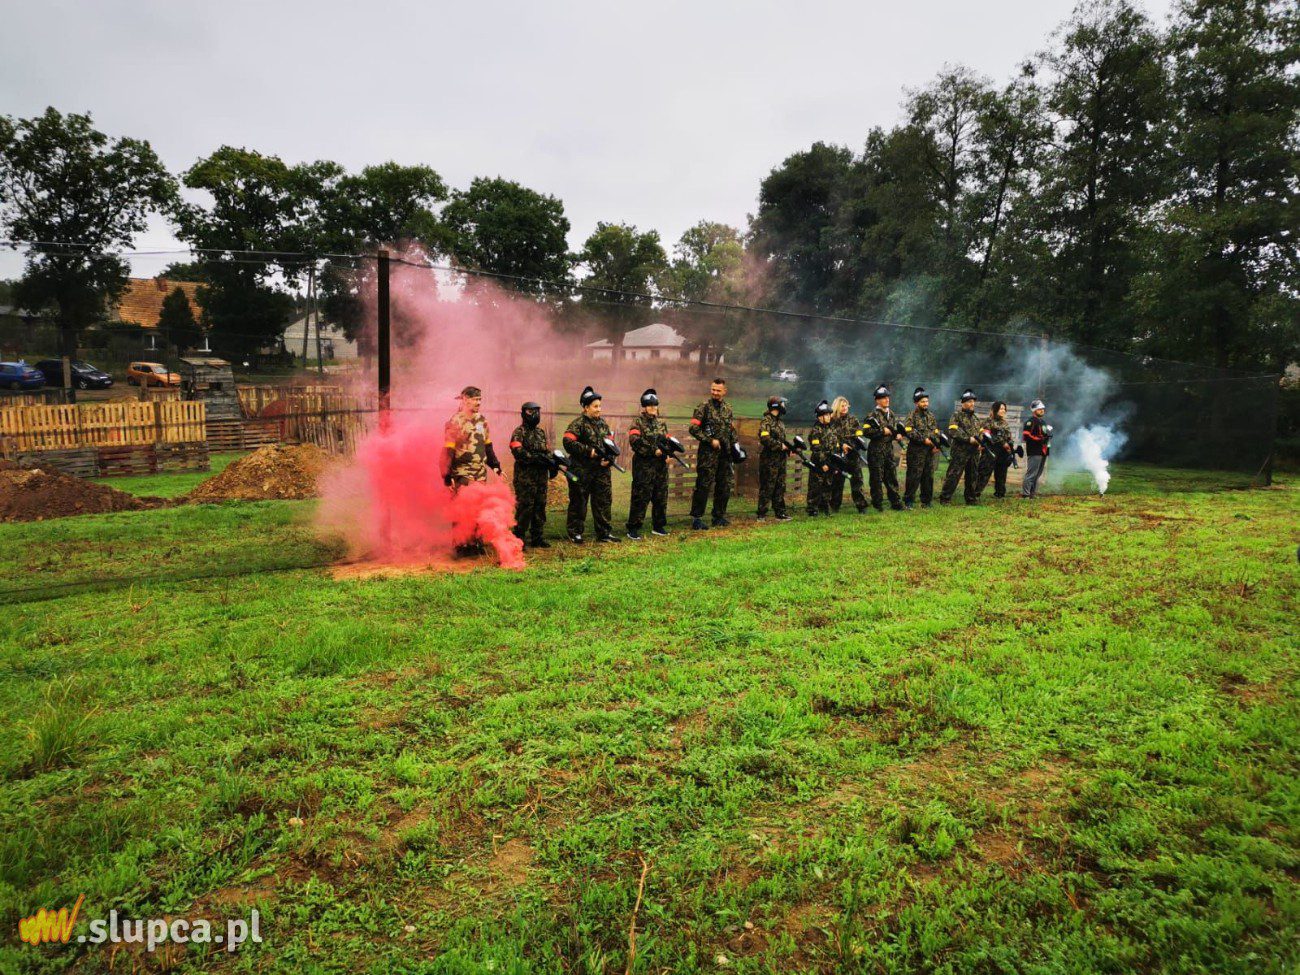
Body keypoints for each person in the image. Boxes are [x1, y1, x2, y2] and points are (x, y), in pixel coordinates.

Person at [442, 385, 503, 555]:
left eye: (480, 399)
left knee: (478, 509)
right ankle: (460, 545)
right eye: (475, 399)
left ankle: (476, 543)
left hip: (479, 474)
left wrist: (496, 466)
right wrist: (446, 476)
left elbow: (488, 447)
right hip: (462, 474)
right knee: (462, 510)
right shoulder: (454, 422)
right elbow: (448, 451)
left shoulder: (483, 421)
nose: (478, 402)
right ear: (465, 400)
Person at [563, 386, 619, 543]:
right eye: (595, 406)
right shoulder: (578, 424)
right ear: (586, 407)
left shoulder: (602, 424)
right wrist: (589, 451)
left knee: (603, 502)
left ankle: (604, 533)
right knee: (579, 503)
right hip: (582, 471)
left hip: (601, 471)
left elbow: (610, 444)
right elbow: (568, 442)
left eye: (600, 406)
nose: (599, 409)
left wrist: (609, 458)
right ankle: (575, 533)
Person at [688, 377, 736, 530]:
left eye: (718, 390)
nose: (715, 393)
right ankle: (697, 518)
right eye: (713, 390)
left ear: (724, 391)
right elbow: (693, 429)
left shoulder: (728, 408)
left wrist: (735, 446)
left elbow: (731, 429)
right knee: (703, 486)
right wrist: (710, 440)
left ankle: (718, 516)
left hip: (725, 455)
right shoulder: (703, 407)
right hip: (708, 455)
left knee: (724, 485)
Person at [625, 388, 671, 540]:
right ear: (644, 407)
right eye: (650, 405)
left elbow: (667, 441)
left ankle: (658, 526)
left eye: (655, 405)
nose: (653, 408)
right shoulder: (637, 422)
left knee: (661, 496)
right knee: (640, 496)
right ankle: (633, 528)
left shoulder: (661, 423)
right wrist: (653, 451)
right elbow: (635, 442)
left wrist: (668, 454)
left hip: (661, 467)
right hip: (644, 467)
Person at [508, 401, 551, 549]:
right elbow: (517, 451)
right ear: (523, 414)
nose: (535, 415)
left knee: (540, 506)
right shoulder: (519, 432)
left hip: (541, 477)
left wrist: (552, 463)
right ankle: (519, 538)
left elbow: (546, 451)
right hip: (525, 478)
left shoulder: (540, 433)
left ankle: (537, 537)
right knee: (525, 507)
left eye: (537, 411)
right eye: (531, 411)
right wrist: (534, 458)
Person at [863, 385, 905, 511]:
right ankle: (878, 504)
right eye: (883, 398)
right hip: (876, 450)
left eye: (887, 397)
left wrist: (896, 435)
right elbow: (866, 431)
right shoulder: (872, 415)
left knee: (891, 476)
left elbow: (891, 431)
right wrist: (882, 431)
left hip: (888, 449)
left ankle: (896, 502)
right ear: (877, 400)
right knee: (877, 478)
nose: (887, 400)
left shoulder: (890, 414)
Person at [940, 389, 983, 505]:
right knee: (954, 475)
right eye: (969, 401)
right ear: (963, 403)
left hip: (974, 452)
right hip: (960, 452)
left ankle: (971, 499)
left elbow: (981, 434)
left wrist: (980, 442)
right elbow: (953, 431)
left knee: (972, 476)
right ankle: (945, 498)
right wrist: (969, 439)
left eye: (973, 401)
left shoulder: (976, 419)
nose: (972, 404)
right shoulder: (956, 416)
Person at [829, 396, 869, 513]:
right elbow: (830, 437)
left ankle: (861, 507)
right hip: (838, 457)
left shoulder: (853, 420)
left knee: (857, 482)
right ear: (837, 406)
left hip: (853, 456)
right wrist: (841, 445)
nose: (845, 408)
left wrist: (849, 445)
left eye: (846, 405)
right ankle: (834, 506)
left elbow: (858, 436)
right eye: (842, 405)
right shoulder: (831, 421)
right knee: (837, 483)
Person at [902, 387, 940, 509]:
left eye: (926, 401)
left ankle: (926, 501)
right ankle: (909, 502)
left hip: (929, 451)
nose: (925, 404)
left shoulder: (931, 416)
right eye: (923, 401)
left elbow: (936, 431)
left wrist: (936, 444)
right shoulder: (911, 415)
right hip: (915, 452)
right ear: (916, 403)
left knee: (928, 476)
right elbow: (909, 431)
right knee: (914, 476)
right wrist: (923, 440)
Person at [756, 395, 792, 521]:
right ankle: (761, 514)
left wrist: (788, 448)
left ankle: (780, 513)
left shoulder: (780, 422)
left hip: (780, 459)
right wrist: (779, 446)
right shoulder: (766, 421)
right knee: (768, 486)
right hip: (769, 460)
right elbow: (765, 438)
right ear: (776, 405)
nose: (784, 406)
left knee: (780, 486)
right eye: (783, 404)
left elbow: (782, 440)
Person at [806, 399, 841, 517]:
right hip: (819, 463)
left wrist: (835, 462)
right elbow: (816, 448)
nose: (829, 416)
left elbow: (836, 446)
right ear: (820, 417)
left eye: (829, 414)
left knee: (828, 484)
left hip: (830, 462)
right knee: (816, 485)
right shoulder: (816, 430)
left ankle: (825, 506)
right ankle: (812, 508)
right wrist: (823, 463)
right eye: (826, 415)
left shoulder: (831, 429)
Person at [976, 401, 1015, 499]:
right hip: (990, 450)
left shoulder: (1005, 423)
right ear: (995, 409)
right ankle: (975, 493)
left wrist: (1010, 445)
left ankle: (1000, 493)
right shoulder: (988, 421)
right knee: (984, 472)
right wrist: (1003, 442)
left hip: (1003, 452)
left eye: (1004, 409)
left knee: (1001, 473)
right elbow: (987, 435)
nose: (1003, 411)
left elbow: (1009, 436)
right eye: (1001, 408)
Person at [1021, 399, 1051, 498]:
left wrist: (1047, 436)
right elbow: (1026, 436)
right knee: (1031, 473)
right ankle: (1025, 494)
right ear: (1034, 410)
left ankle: (1032, 494)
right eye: (1039, 409)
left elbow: (1044, 435)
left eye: (1042, 409)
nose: (1042, 410)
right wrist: (1040, 439)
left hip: (1043, 451)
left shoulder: (1042, 422)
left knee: (1037, 474)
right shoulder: (1030, 422)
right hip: (1034, 451)